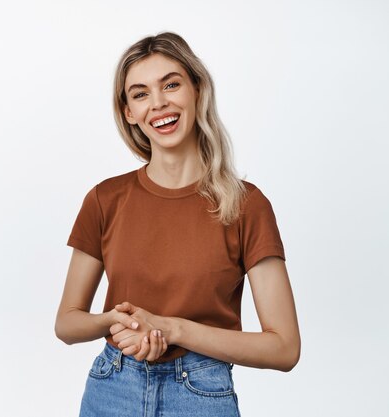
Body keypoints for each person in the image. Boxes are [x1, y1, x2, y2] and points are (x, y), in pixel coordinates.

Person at [54, 32, 301, 417]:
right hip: (111, 388)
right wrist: (116, 322)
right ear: (128, 113)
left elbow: (284, 348)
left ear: (197, 90)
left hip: (200, 394)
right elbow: (67, 323)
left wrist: (172, 329)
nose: (158, 103)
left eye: (171, 84)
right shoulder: (105, 199)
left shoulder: (247, 205)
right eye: (140, 93)